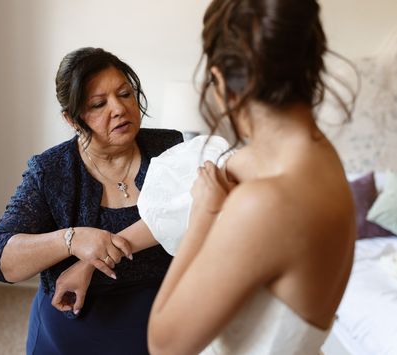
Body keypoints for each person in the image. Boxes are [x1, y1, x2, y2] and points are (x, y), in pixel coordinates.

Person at [145, 0, 356, 354]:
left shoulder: (265, 205)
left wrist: (203, 216)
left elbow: (163, 344)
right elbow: (243, 162)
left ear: (220, 82)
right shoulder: (322, 160)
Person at [0, 47, 183, 355]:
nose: (119, 109)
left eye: (125, 94)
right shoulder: (51, 170)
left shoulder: (168, 147)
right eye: (98, 104)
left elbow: (188, 217)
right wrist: (71, 240)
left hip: (164, 314)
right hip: (79, 323)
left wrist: (90, 264)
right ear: (73, 119)